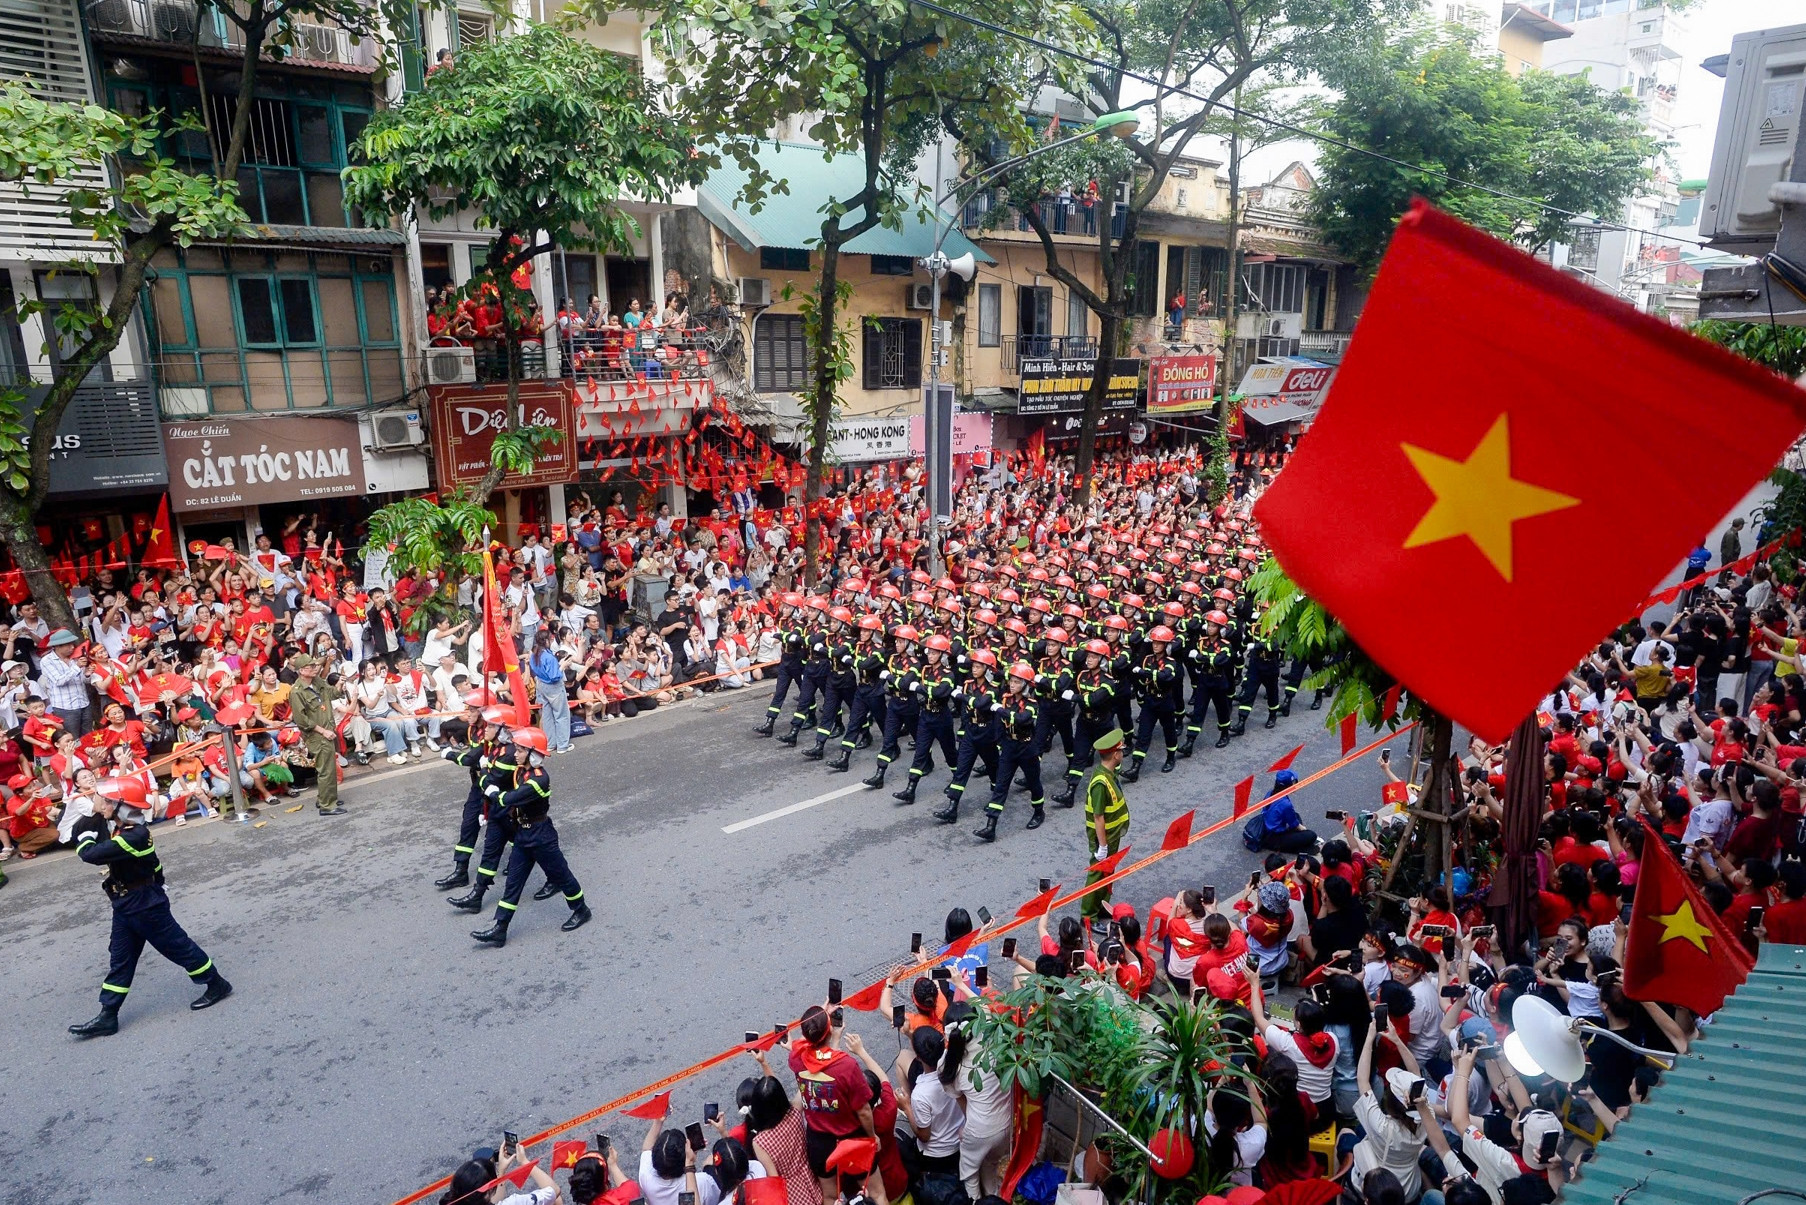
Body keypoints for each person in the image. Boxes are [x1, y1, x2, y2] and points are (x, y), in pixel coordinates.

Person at [67, 779, 232, 1038]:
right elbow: (154, 864)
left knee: (178, 947)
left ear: (122, 806)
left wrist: (85, 828)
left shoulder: (134, 834)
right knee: (120, 959)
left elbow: (90, 854)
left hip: (144, 905)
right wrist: (159, 883)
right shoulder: (124, 829)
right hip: (126, 904)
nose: (104, 804)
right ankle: (108, 1016)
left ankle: (217, 984)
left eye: (109, 801)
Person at [469, 726, 591, 947]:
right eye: (516, 749)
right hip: (524, 834)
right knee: (513, 883)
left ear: (533, 754)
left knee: (563, 877)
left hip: (541, 836)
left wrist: (486, 781)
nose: (514, 753)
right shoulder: (520, 772)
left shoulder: (538, 780)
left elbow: (506, 799)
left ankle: (581, 910)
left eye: (520, 750)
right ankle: (500, 927)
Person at [286, 653, 346, 816]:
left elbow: (332, 694)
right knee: (326, 769)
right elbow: (302, 720)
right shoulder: (297, 692)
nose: (315, 668)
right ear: (301, 671)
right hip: (318, 734)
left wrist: (340, 685)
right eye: (311, 667)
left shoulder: (317, 681)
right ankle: (328, 805)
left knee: (329, 767)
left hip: (328, 730)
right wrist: (323, 731)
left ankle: (326, 798)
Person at [1081, 728, 1130, 921]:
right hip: (1104, 838)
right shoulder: (1101, 783)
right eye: (1121, 751)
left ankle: (1102, 905)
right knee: (1097, 874)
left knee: (1108, 872)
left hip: (1112, 835)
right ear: (1116, 754)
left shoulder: (1108, 773)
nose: (1123, 754)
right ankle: (1088, 916)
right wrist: (1102, 846)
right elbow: (1098, 817)